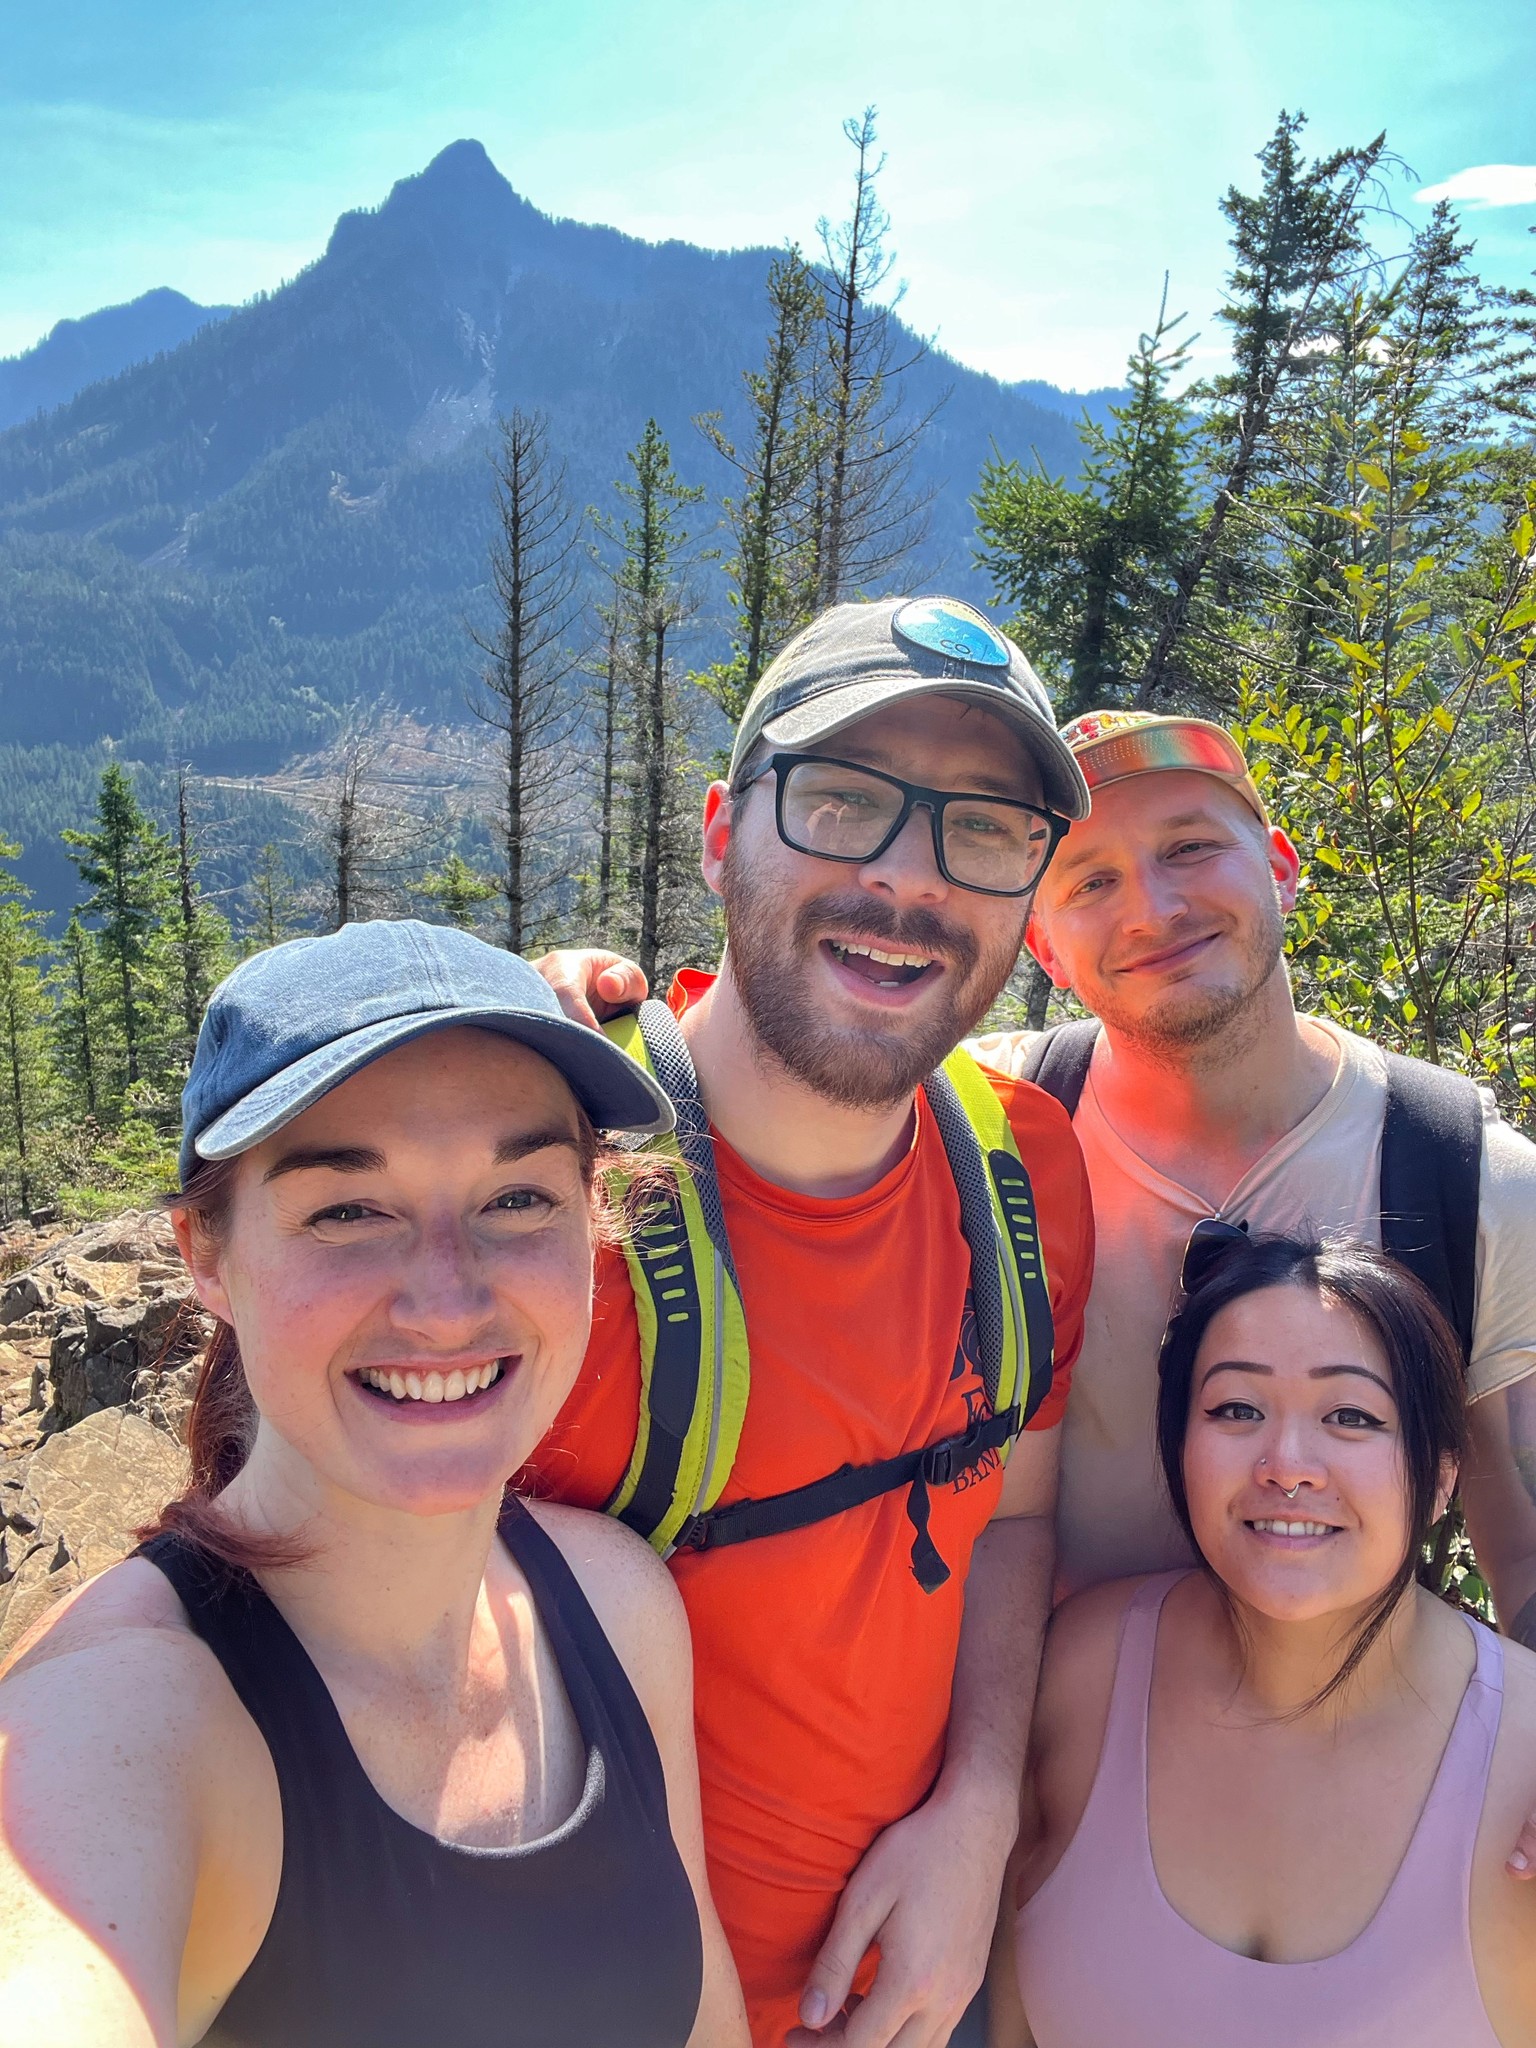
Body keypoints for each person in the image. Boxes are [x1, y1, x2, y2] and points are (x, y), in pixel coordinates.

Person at [0, 921, 748, 2048]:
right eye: (348, 1209)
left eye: (518, 1198)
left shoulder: (618, 1602)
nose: (446, 1300)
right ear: (207, 1252)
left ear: (594, 1223)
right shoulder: (116, 1719)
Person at [530, 595, 1096, 2047]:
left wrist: (977, 1814)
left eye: (984, 830)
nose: (909, 882)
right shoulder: (540, 1203)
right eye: (843, 801)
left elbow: (1014, 1516)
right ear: (722, 831)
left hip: (921, 1987)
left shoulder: (1024, 1173)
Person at [971, 709, 1536, 1658]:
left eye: (1190, 847)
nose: (1151, 907)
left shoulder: (1472, 1181)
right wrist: (631, 1029)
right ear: (1045, 951)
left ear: (1279, 864)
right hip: (1038, 1762)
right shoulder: (982, 1125)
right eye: (1092, 880)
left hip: (1351, 1767)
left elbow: (1521, 1543)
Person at [1007, 1232, 1536, 2048]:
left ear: (1440, 1477)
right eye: (1236, 1410)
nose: (1287, 1464)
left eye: (1352, 1416)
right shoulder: (1075, 1673)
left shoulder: (1525, 1760)